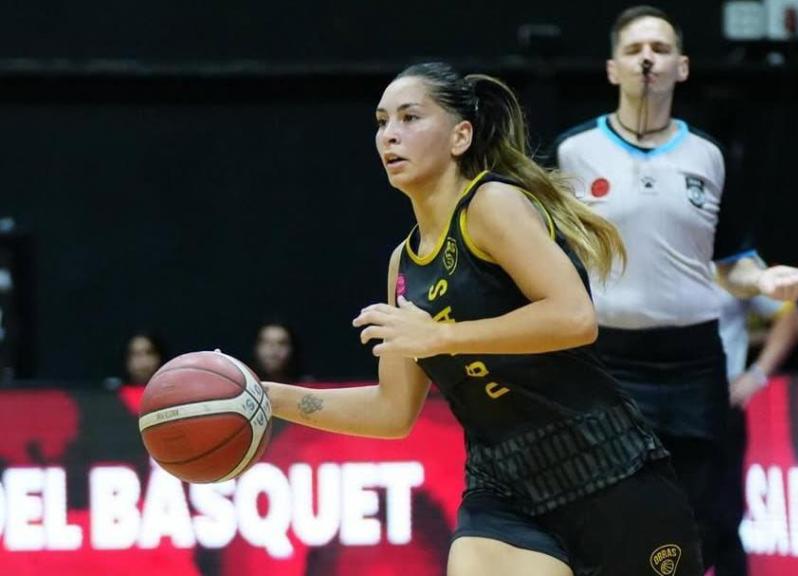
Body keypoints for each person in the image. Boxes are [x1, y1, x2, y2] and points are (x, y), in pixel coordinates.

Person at [263, 62, 704, 576]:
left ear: (460, 136)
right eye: (382, 122)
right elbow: (392, 411)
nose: (390, 135)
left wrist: (442, 335)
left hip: (606, 470)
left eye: (409, 118)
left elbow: (574, 317)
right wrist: (268, 397)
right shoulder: (402, 265)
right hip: (503, 487)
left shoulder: (492, 204)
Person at [552, 6, 798, 572]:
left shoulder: (709, 156)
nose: (647, 57)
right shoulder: (572, 154)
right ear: (611, 69)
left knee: (702, 519)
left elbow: (733, 263)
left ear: (682, 67)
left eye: (659, 47)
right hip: (607, 359)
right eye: (633, 49)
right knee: (609, 515)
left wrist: (765, 280)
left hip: (693, 361)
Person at [715, 272, 798, 575]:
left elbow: (792, 317)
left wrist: (756, 376)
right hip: (649, 405)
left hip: (718, 406)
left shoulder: (731, 263)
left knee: (723, 521)